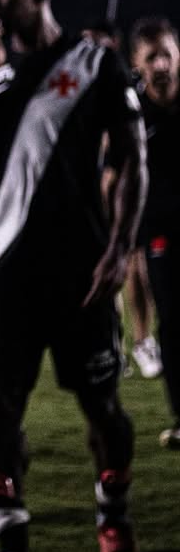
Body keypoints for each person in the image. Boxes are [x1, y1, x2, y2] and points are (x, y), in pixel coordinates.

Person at [0, 0, 147, 552]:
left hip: (82, 271)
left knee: (102, 406)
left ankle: (113, 511)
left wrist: (120, 248)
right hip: (6, 271)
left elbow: (133, 157)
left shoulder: (94, 63)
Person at [84, 20, 162, 379]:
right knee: (101, 271)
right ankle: (112, 346)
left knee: (136, 268)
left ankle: (143, 341)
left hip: (123, 188)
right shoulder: (78, 83)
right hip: (92, 191)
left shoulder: (127, 88)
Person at [127, 16, 180, 448]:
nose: (160, 64)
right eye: (151, 58)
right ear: (137, 64)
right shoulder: (131, 112)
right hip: (160, 233)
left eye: (166, 54)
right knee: (174, 324)